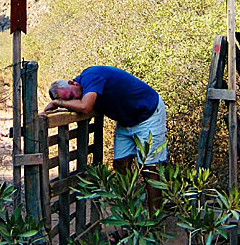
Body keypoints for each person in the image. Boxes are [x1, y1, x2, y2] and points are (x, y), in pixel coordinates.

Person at [44, 65, 167, 214]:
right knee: (121, 166)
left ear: (73, 83)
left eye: (71, 97)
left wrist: (58, 103)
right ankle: (130, 221)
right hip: (126, 121)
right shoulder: (83, 88)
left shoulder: (91, 76)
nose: (74, 101)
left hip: (148, 114)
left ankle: (155, 222)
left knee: (149, 169)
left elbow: (85, 107)